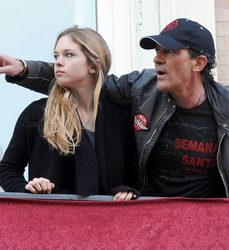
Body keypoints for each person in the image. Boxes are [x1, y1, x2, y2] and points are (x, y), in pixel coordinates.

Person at [0, 18, 229, 198]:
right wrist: (24, 68)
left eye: (169, 51)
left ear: (198, 62)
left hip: (214, 222)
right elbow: (87, 83)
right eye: (157, 50)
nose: (156, 57)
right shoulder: (142, 88)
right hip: (154, 217)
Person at [0, 26, 138, 200]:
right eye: (56, 55)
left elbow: (135, 173)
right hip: (51, 221)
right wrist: (29, 190)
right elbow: (7, 169)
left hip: (108, 222)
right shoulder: (37, 113)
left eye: (69, 55)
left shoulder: (120, 117)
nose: (58, 62)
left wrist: (128, 191)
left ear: (94, 66)